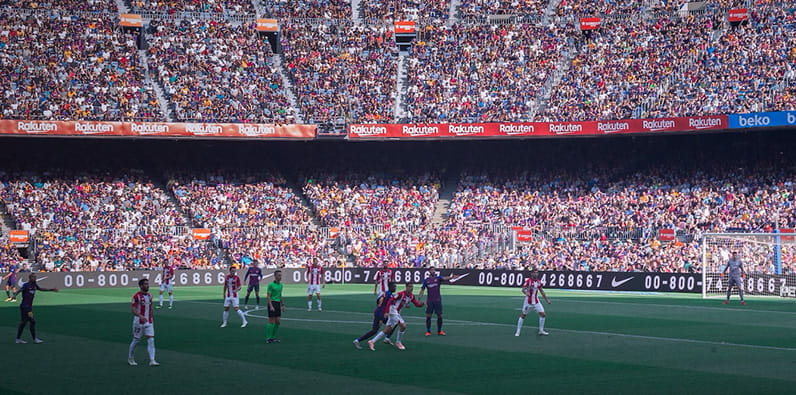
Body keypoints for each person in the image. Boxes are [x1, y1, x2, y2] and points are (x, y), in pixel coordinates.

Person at [368, 283, 424, 351]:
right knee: (403, 326)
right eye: (409, 286)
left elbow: (416, 304)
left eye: (412, 287)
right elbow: (390, 301)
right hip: (393, 311)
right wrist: (386, 311)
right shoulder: (400, 294)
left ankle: (372, 341)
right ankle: (398, 342)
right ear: (406, 287)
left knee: (387, 329)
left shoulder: (411, 296)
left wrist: (422, 304)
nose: (411, 288)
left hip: (397, 313)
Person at [14, 272, 58, 344]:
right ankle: (34, 339)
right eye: (33, 277)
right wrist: (15, 295)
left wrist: (51, 289)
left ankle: (18, 339)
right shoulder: (26, 285)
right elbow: (19, 290)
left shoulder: (34, 285)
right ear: (30, 278)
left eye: (35, 277)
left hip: (27, 307)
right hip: (25, 307)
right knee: (32, 321)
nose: (34, 278)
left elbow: (40, 289)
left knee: (24, 322)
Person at [353, 281, 396, 349]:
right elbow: (388, 305)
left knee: (374, 330)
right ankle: (387, 338)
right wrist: (383, 315)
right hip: (382, 313)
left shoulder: (384, 293)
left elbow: (378, 301)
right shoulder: (389, 295)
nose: (395, 288)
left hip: (377, 312)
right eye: (394, 286)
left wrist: (379, 307)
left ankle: (357, 340)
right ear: (390, 287)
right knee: (394, 323)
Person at [418, 266, 459, 336]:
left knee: (439, 315)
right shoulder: (426, 280)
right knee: (428, 316)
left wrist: (451, 277)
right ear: (429, 271)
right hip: (430, 300)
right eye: (431, 270)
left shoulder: (438, 278)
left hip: (437, 300)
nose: (433, 271)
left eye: (434, 270)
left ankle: (439, 331)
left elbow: (445, 278)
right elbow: (422, 289)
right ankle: (428, 331)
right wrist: (419, 297)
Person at [128, 278, 158, 366]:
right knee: (136, 340)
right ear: (141, 286)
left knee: (151, 340)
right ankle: (130, 358)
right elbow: (133, 309)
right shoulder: (136, 296)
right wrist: (140, 315)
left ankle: (152, 360)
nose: (147, 285)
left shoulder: (150, 296)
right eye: (145, 284)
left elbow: (149, 308)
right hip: (138, 322)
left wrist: (150, 317)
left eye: (147, 284)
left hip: (149, 321)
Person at [515, 268, 551, 336]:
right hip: (528, 302)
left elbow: (541, 291)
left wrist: (547, 300)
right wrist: (526, 293)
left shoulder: (538, 282)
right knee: (523, 315)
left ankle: (541, 330)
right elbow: (523, 289)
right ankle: (518, 331)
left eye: (537, 272)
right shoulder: (528, 281)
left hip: (536, 301)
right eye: (534, 272)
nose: (536, 274)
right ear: (532, 273)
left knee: (543, 314)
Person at [266, 270, 284, 343]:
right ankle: (268, 338)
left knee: (278, 321)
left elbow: (280, 295)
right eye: (279, 275)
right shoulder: (271, 285)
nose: (280, 277)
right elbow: (268, 296)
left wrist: (283, 304)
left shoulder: (281, 285)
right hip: (272, 303)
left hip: (278, 303)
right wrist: (271, 306)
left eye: (281, 275)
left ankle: (273, 337)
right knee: (271, 321)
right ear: (275, 276)